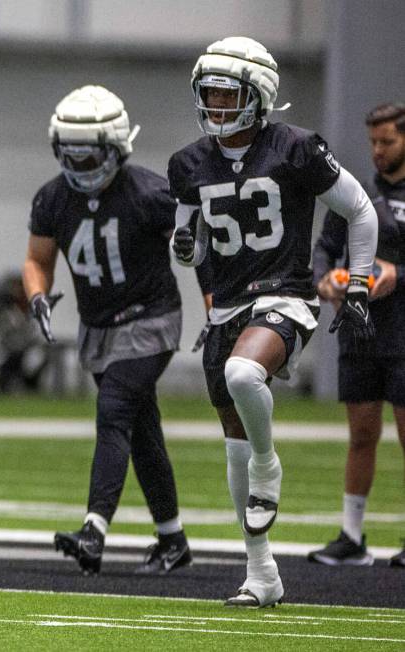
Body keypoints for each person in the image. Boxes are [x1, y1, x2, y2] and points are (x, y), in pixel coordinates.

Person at [169, 36, 378, 606]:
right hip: (228, 306)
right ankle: (261, 574)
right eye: (207, 95)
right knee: (233, 445)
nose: (213, 106)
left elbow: (359, 209)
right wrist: (184, 246)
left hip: (285, 295)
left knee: (243, 377)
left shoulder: (295, 148)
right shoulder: (188, 162)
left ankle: (271, 463)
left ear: (257, 95)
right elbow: (186, 242)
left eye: (224, 94)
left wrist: (357, 280)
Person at [22, 85, 192, 575]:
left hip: (151, 318)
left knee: (114, 408)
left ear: (115, 147)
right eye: (68, 155)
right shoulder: (53, 198)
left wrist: (214, 302)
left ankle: (94, 531)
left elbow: (198, 245)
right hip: (99, 327)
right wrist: (37, 293)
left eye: (88, 154)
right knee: (142, 431)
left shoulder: (149, 192)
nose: (78, 166)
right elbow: (37, 260)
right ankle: (172, 539)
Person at [309, 103, 405, 568]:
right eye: (372, 142)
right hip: (360, 332)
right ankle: (351, 535)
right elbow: (325, 249)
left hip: (404, 333)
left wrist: (396, 274)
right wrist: (325, 279)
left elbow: (393, 269)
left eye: (387, 141)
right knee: (361, 435)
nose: (377, 150)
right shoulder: (356, 193)